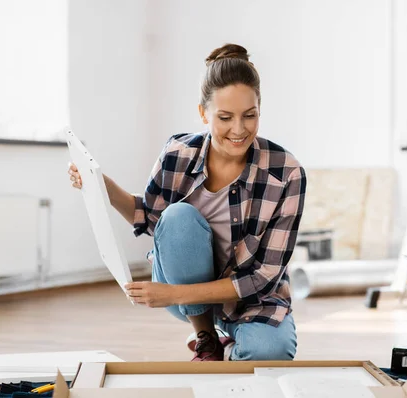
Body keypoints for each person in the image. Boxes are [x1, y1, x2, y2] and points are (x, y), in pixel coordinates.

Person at [68, 43, 306, 362]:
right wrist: (101, 185)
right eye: (225, 117)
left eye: (250, 116)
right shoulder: (178, 154)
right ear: (202, 113)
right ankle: (206, 336)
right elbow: (151, 218)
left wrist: (174, 294)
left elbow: (262, 277)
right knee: (178, 216)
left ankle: (232, 342)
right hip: (190, 296)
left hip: (255, 299)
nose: (239, 130)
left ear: (260, 109)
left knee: (268, 353)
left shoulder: (286, 173)